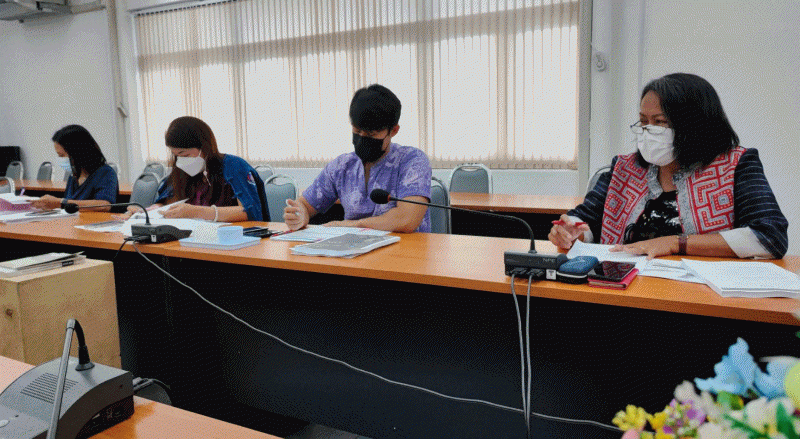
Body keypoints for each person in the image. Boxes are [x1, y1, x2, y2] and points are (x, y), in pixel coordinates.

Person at [549, 73, 788, 259]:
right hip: (624, 289)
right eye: (643, 122)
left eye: (660, 122)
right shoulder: (624, 169)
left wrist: (676, 243)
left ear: (694, 125)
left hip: (699, 297)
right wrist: (571, 232)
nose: (648, 131)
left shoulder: (736, 165)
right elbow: (586, 219)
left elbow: (770, 236)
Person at [283, 84, 432, 233]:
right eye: (357, 131)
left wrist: (353, 225)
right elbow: (305, 204)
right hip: (353, 246)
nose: (362, 138)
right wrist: (300, 214)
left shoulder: (412, 161)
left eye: (371, 134)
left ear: (393, 131)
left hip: (405, 247)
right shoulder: (342, 166)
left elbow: (406, 219)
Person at [127, 116, 265, 222]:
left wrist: (196, 212)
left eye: (185, 155)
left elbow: (250, 212)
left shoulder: (234, 166)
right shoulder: (183, 172)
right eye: (176, 156)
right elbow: (168, 202)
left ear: (204, 146)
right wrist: (148, 212)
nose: (181, 161)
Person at [31, 125, 118, 211]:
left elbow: (104, 205)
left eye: (62, 155)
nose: (60, 159)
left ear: (77, 152)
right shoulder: (74, 175)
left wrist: (60, 203)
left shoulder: (105, 173)